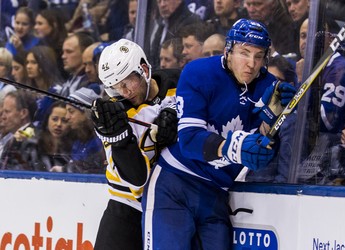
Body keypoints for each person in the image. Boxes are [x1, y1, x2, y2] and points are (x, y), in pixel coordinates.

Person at [141, 19, 296, 249]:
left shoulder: (269, 86)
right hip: (175, 184)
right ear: (228, 51)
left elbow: (260, 150)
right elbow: (190, 140)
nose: (251, 64)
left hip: (216, 193)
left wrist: (271, 125)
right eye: (244, 53)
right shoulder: (199, 72)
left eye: (258, 55)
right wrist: (236, 147)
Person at [91, 38, 180, 250]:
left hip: (174, 205)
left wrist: (177, 115)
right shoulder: (110, 116)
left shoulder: (180, 83)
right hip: (128, 206)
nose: (125, 93)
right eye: (116, 87)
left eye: (127, 82)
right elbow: (136, 178)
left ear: (143, 68)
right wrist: (119, 136)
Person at [246, 55, 298, 183]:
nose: (269, 86)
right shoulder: (252, 111)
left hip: (260, 196)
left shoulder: (290, 123)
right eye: (265, 80)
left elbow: (285, 179)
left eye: (275, 81)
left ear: (289, 85)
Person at [51, 87, 105, 173]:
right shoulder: (79, 140)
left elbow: (91, 168)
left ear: (87, 113)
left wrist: (64, 169)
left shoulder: (101, 141)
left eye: (71, 111)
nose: (67, 117)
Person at [21, 101, 73, 171]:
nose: (58, 124)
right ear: (47, 120)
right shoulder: (33, 144)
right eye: (54, 119)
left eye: (64, 120)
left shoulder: (74, 148)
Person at [148, 0, 202, 67]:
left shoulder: (191, 21)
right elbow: (153, 55)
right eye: (159, 1)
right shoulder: (161, 24)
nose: (162, 5)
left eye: (165, 0)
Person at [0, 90, 37, 170]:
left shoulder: (30, 138)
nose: (3, 117)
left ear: (23, 113)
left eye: (7, 112)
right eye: (3, 112)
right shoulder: (13, 139)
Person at [59, 32, 96, 97]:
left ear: (85, 52)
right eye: (63, 52)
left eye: (69, 51)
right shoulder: (71, 78)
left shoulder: (92, 79)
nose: (63, 56)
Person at [34, 8, 68, 78]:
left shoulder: (64, 47)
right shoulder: (40, 44)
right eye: (36, 23)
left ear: (54, 24)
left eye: (40, 23)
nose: (35, 27)